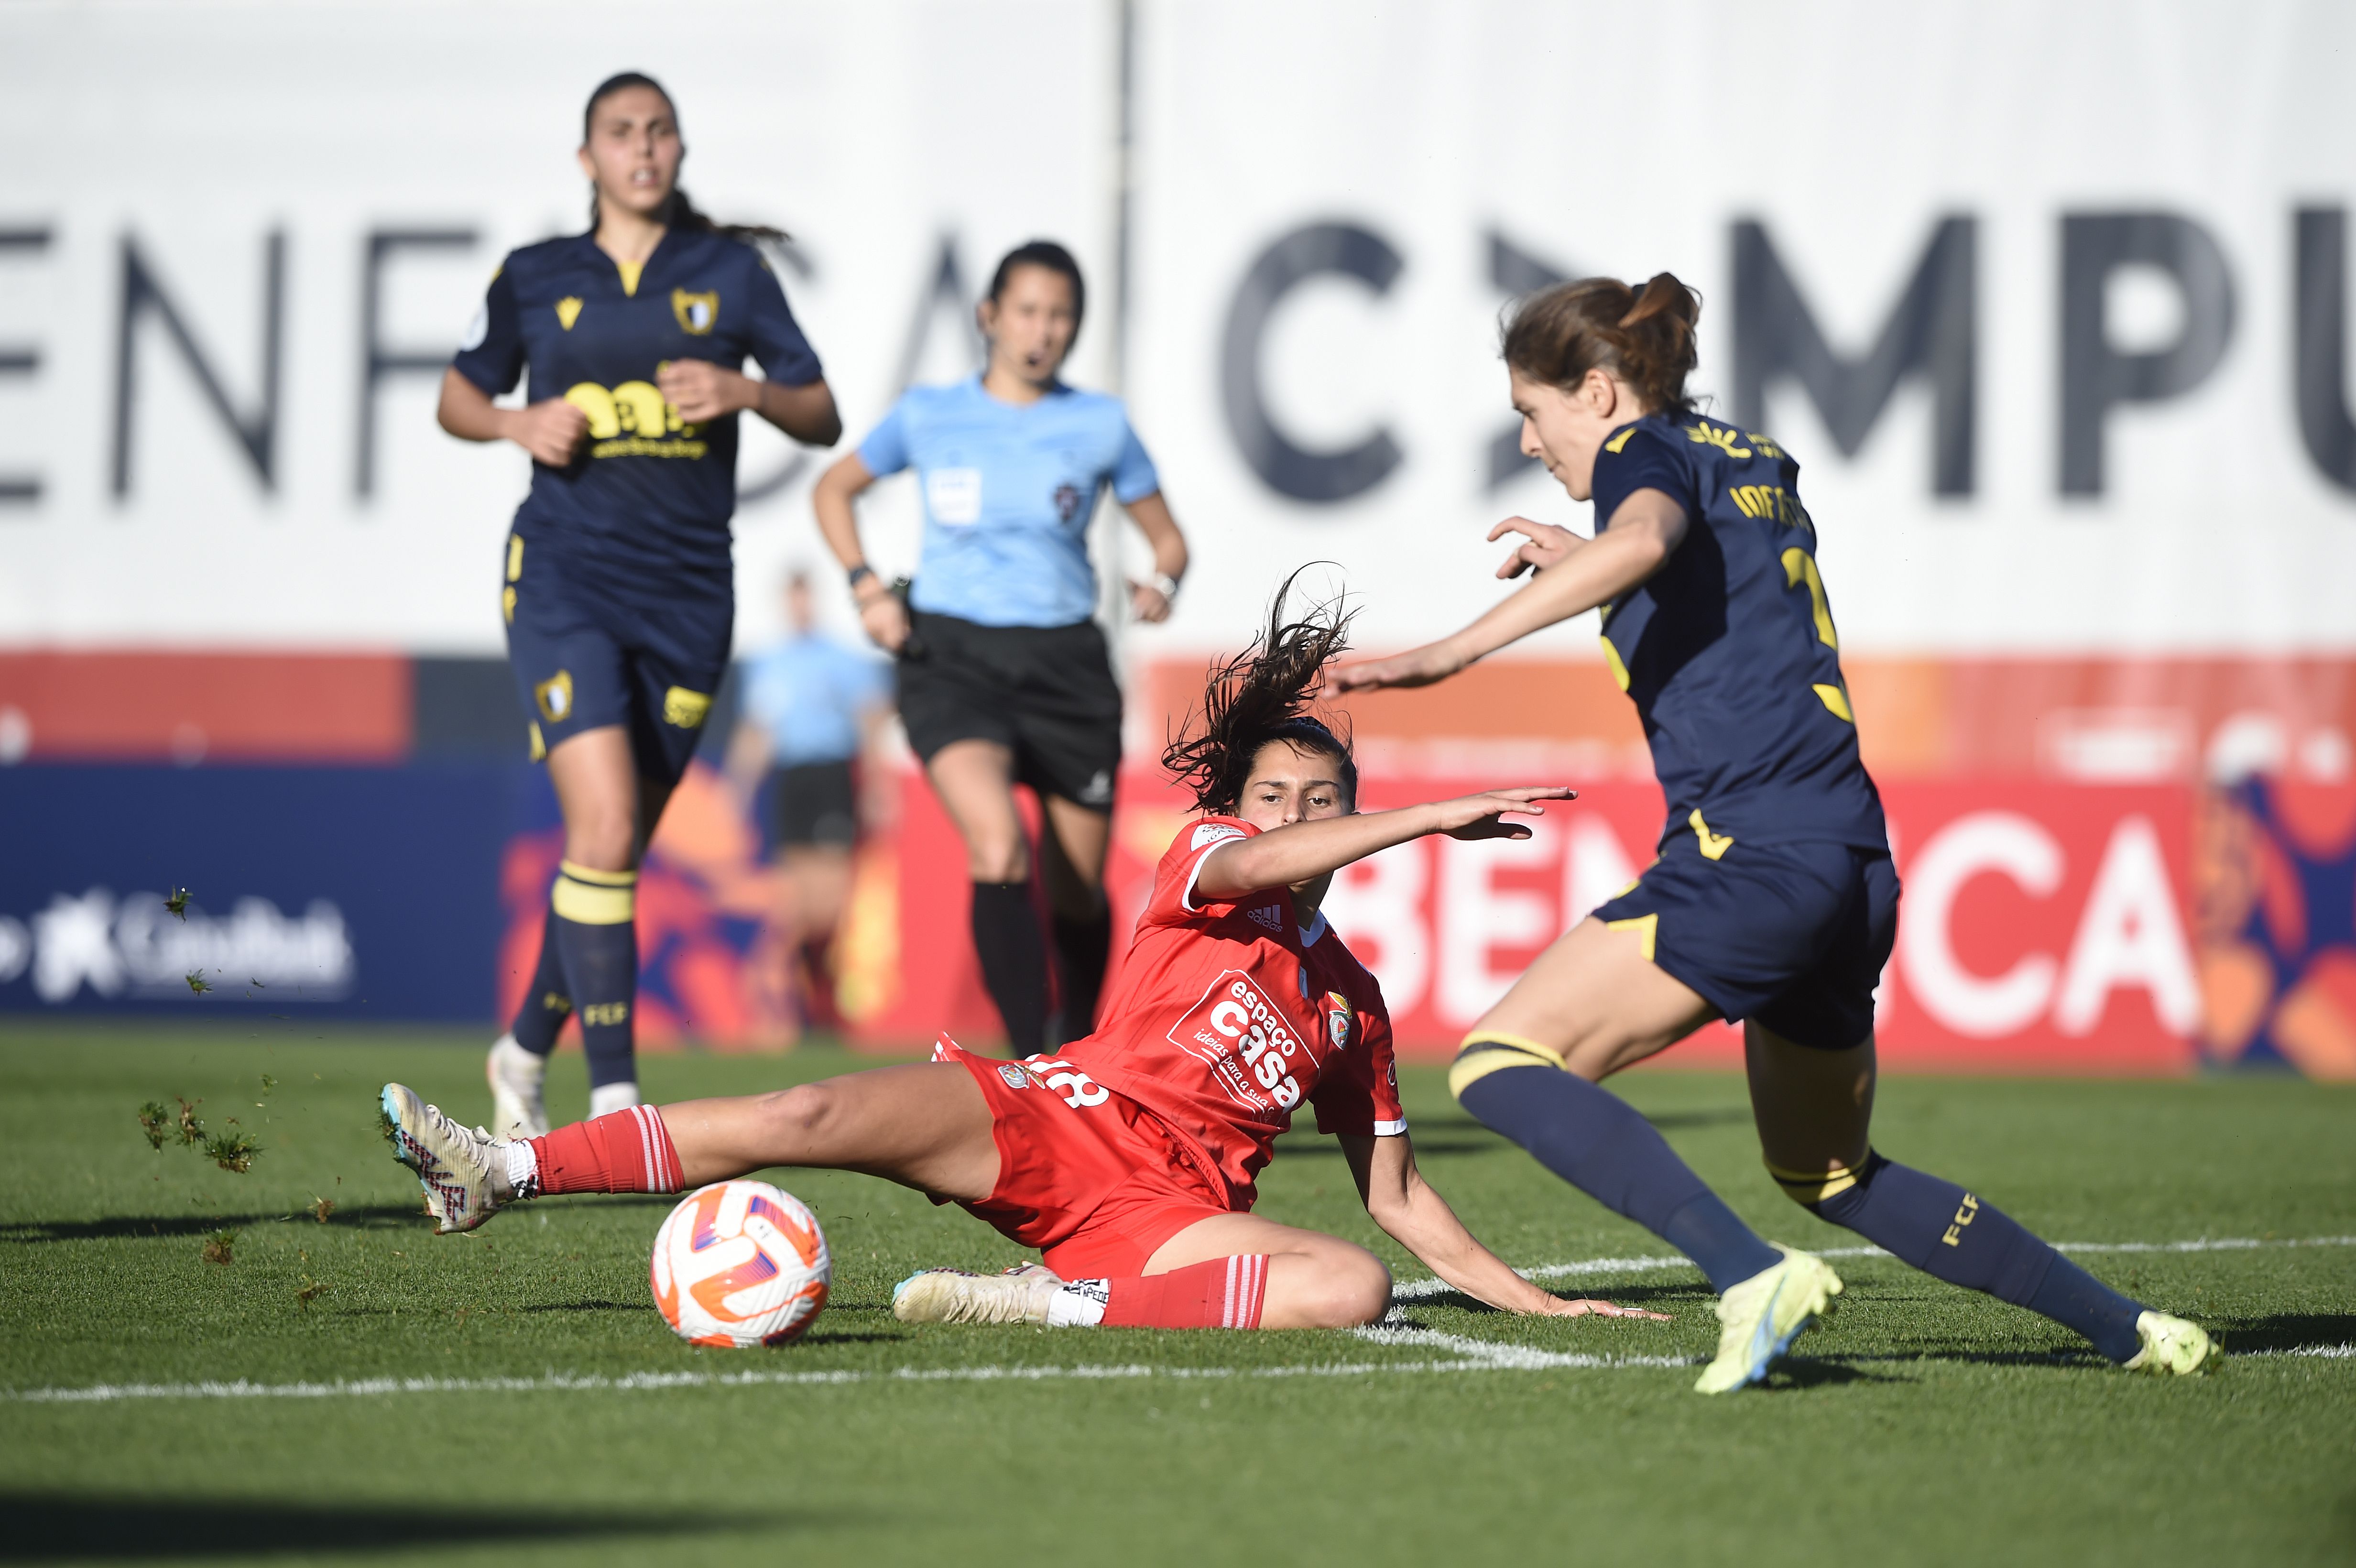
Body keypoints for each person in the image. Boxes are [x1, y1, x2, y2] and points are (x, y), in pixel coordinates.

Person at [1331, 273, 2216, 1390]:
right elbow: (1702, 564)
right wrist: (1587, 552)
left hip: (1751, 852)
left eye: (1533, 409)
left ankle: (1747, 1273)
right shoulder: (1745, 455)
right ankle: (2131, 1328)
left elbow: (1649, 535)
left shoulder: (1636, 461)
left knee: (1503, 1061)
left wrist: (1445, 652)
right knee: (1832, 1169)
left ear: (1598, 391)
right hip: (1851, 865)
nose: (1526, 436)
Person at [379, 585, 1667, 1334]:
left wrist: (1536, 1304)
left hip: (1164, 1215)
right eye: (1275, 795)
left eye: (1318, 803)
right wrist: (1431, 816)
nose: (1290, 819)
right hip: (1050, 1115)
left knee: (1352, 1283)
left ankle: (1055, 1304)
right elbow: (1256, 864)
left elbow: (1395, 1197)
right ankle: (502, 1166)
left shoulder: (1352, 1004)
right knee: (807, 1109)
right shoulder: (1205, 863)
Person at [439, 72, 842, 1138]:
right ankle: (615, 1097)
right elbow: (457, 394)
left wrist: (748, 391)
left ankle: (522, 1046)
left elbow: (821, 409)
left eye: (660, 131)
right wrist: (517, 427)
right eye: (621, 133)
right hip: (566, 575)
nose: (643, 148)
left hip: (689, 598)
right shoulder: (536, 275)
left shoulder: (730, 273)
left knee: (608, 850)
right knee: (607, 825)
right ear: (588, 160)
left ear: (679, 150)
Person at [812, 240, 1189, 1055]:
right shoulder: (927, 413)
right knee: (997, 845)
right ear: (988, 317)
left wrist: (1161, 582)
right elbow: (833, 488)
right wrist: (867, 589)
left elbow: (1168, 541)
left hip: (1066, 669)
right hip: (952, 660)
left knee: (1077, 892)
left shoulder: (1099, 424)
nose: (1042, 330)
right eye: (1026, 310)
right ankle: (1033, 1067)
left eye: (1060, 315)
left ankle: (1082, 1045)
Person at [722, 568, 895, 1035]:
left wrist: (879, 784)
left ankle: (824, 998)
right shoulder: (769, 663)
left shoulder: (839, 659)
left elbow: (872, 719)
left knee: (832, 900)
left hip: (830, 775)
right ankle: (796, 1003)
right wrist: (737, 789)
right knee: (795, 898)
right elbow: (756, 731)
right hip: (792, 779)